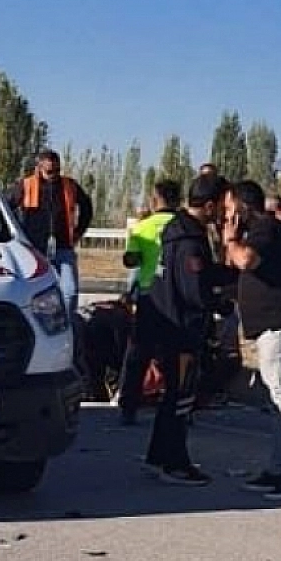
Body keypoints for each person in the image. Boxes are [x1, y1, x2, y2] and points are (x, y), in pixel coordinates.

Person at [223, 179, 281, 501]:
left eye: (229, 207)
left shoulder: (266, 228)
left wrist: (231, 239)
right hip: (273, 326)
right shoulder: (262, 231)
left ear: (241, 205)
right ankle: (278, 467)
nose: (226, 214)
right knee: (274, 397)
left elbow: (246, 260)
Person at [141, 174, 233, 485]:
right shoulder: (191, 241)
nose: (226, 212)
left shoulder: (172, 231)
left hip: (165, 324)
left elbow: (200, 275)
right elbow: (195, 289)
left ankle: (157, 456)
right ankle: (175, 463)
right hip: (182, 330)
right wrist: (222, 303)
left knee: (172, 396)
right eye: (223, 205)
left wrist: (227, 274)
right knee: (180, 398)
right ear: (209, 206)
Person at [116, 180, 180, 426]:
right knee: (174, 352)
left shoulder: (143, 228)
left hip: (149, 294)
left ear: (155, 200)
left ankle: (128, 406)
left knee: (139, 353)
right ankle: (177, 403)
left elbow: (130, 261)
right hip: (177, 297)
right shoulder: (184, 226)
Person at [13, 150, 94, 315]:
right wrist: (17, 234)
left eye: (57, 170)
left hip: (64, 246)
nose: (54, 175)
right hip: (35, 250)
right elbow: (6, 206)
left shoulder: (69, 185)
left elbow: (86, 207)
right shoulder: (26, 185)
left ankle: (67, 325)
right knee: (35, 294)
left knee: (70, 291)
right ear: (38, 168)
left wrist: (79, 231)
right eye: (50, 171)